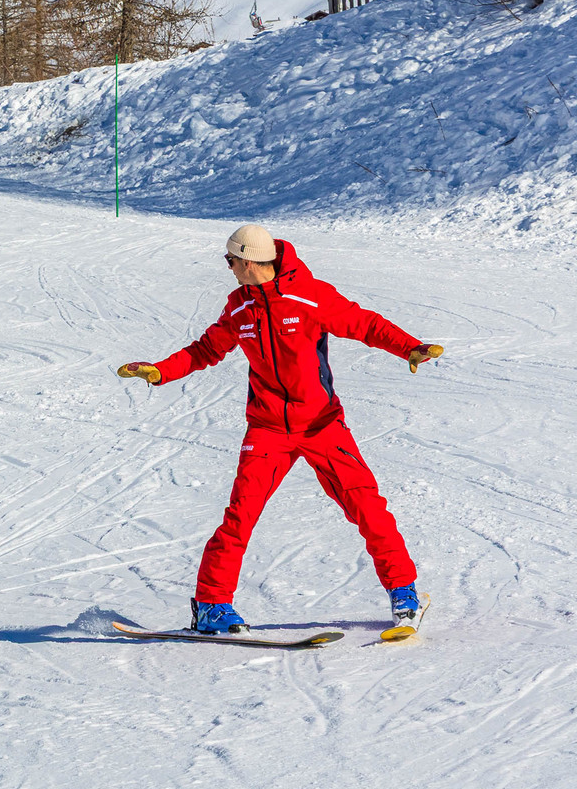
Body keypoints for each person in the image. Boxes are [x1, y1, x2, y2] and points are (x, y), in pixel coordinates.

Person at [118, 223, 444, 632]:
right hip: (267, 429)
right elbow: (206, 349)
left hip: (321, 425)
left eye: (231, 260)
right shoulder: (239, 306)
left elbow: (364, 323)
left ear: (249, 260)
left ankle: (405, 594)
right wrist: (160, 371)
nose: (228, 267)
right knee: (239, 517)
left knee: (366, 508)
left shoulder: (310, 294)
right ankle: (210, 606)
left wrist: (408, 346)